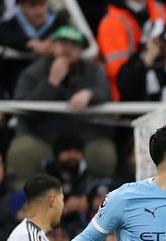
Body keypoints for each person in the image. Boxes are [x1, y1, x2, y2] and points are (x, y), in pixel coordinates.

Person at [10, 24, 115, 180]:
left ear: (81, 50)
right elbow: (23, 107)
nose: (67, 49)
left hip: (84, 137)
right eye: (63, 44)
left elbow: (106, 92)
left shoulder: (94, 70)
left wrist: (90, 94)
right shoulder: (33, 72)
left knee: (103, 155)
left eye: (73, 45)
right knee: (23, 152)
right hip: (43, 137)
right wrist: (51, 84)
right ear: (53, 46)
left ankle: (100, 192)